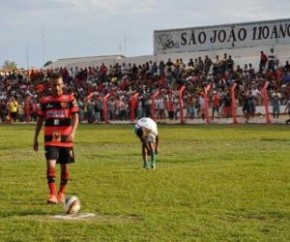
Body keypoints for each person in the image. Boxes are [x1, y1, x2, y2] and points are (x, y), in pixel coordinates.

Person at [33, 73, 79, 204]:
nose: (57, 87)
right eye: (54, 85)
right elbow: (39, 120)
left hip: (66, 138)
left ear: (62, 84)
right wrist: (35, 138)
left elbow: (76, 116)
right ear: (50, 85)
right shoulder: (45, 101)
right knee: (50, 164)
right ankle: (52, 194)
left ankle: (61, 192)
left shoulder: (69, 98)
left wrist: (73, 132)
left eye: (59, 84)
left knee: (65, 168)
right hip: (50, 138)